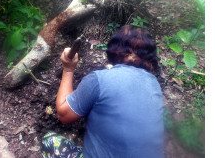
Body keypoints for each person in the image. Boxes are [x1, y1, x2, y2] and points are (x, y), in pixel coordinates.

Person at [43, 25, 165, 158]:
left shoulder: (99, 79)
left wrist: (68, 69)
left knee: (49, 141)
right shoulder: (154, 84)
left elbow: (63, 114)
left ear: (115, 50)